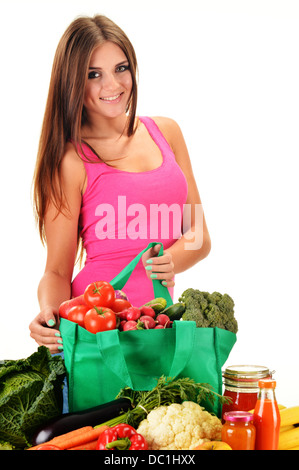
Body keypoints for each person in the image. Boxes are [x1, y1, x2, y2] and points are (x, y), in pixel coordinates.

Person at [29, 14, 211, 354]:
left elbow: (199, 235)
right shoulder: (71, 160)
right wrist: (50, 317)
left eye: (121, 68)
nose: (112, 85)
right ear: (72, 83)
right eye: (93, 74)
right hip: (98, 335)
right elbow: (56, 270)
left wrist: (171, 259)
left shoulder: (166, 133)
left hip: (159, 328)